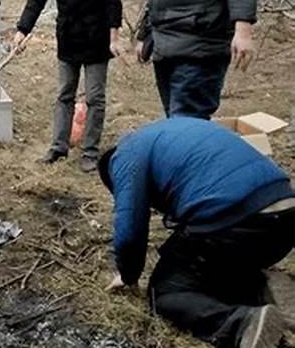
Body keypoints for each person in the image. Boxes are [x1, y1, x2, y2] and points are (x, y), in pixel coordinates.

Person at [99, 118, 294, 347]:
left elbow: (130, 228)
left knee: (165, 293)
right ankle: (262, 300)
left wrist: (128, 274)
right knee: (214, 268)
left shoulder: (124, 156)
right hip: (285, 218)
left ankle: (240, 325)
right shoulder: (171, 131)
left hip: (236, 220)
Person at [13, 0, 123, 172]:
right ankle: (58, 146)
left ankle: (89, 152)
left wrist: (114, 35)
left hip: (96, 36)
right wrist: (22, 30)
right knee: (64, 94)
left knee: (95, 97)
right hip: (68, 35)